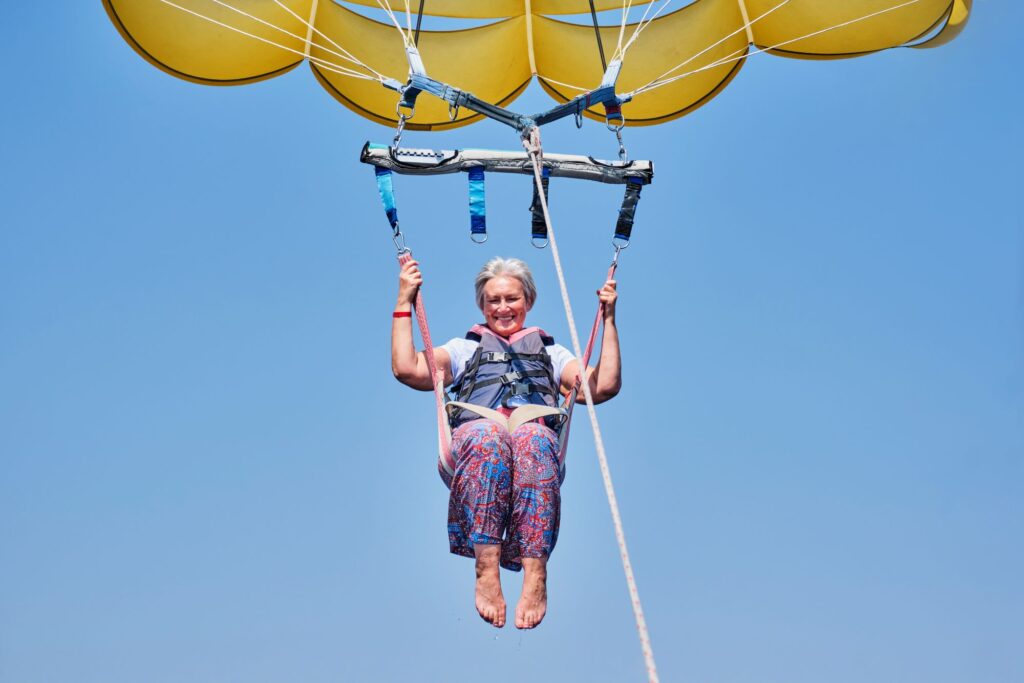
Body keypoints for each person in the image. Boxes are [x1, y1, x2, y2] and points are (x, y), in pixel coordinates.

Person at [391, 256, 621, 629]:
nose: (502, 308)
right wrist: (404, 299)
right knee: (489, 437)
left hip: (534, 443)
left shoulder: (552, 353)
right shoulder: (464, 349)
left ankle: (536, 574)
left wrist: (608, 320)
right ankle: (486, 567)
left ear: (527, 301)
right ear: (482, 305)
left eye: (511, 299)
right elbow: (407, 368)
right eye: (493, 300)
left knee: (531, 437)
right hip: (477, 442)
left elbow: (603, 385)